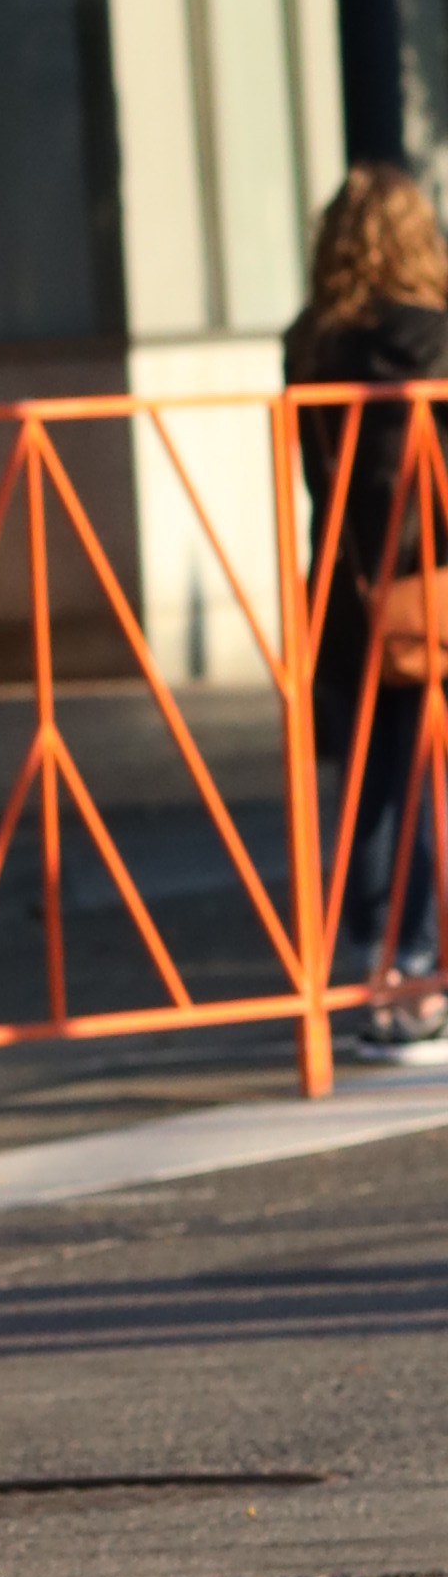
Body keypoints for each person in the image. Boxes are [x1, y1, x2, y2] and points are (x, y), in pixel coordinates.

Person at [286, 162, 448, 1063]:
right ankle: (422, 976)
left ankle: (383, 972)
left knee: (370, 781)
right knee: (424, 774)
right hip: (432, 582)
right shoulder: (437, 337)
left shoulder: (310, 342)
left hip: (345, 591)